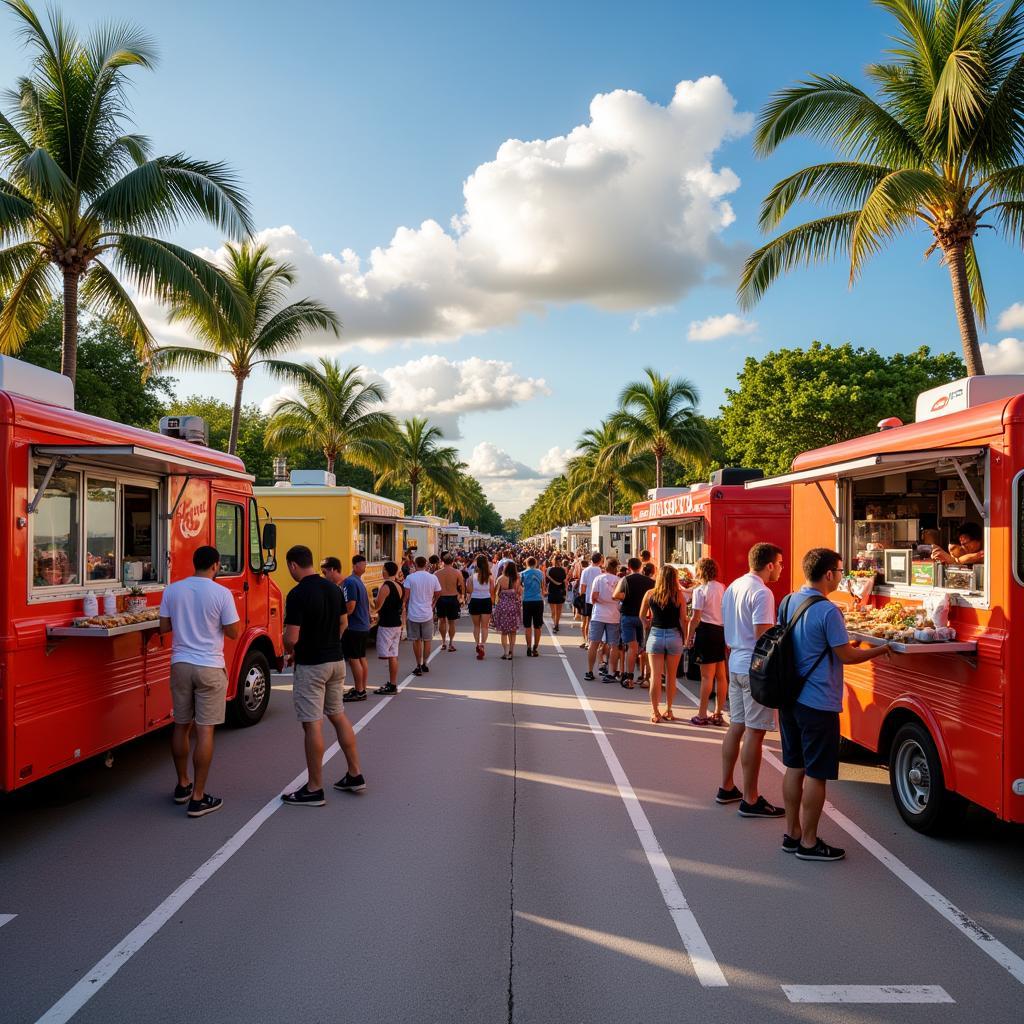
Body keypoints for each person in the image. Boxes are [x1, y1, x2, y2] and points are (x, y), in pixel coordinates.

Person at [781, 548, 891, 861]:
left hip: (790, 699)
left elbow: (811, 644)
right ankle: (810, 843)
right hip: (818, 702)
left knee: (794, 766)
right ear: (829, 574)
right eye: (840, 571)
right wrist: (881, 650)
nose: (841, 576)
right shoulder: (828, 611)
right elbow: (846, 657)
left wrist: (848, 643)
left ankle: (792, 834)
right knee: (816, 773)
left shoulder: (789, 601)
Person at [159, 545, 240, 818]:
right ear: (216, 565)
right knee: (205, 731)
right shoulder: (222, 593)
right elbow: (233, 632)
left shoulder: (173, 590)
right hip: (209, 667)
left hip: (180, 664)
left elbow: (163, 628)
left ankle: (182, 784)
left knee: (181, 726)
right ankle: (198, 797)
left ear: (194, 564)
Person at [279, 545, 364, 805]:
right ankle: (354, 773)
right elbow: (343, 623)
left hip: (312, 664)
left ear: (293, 565)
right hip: (336, 661)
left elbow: (292, 637)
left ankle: (314, 788)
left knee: (312, 724)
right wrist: (331, 643)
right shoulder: (333, 588)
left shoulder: (297, 594)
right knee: (337, 715)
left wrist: (288, 650)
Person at [719, 542, 786, 818]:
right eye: (780, 564)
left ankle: (726, 787)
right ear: (769, 564)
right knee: (755, 733)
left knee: (736, 726)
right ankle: (750, 798)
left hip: (735, 662)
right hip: (754, 668)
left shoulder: (733, 586)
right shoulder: (762, 592)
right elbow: (764, 637)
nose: (781, 569)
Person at [639, 565, 687, 722]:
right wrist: (685, 638)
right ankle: (669, 710)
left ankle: (655, 712)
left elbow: (641, 615)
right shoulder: (678, 595)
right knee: (672, 677)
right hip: (674, 636)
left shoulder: (650, 594)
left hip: (656, 635)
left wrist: (647, 625)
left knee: (655, 676)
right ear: (674, 578)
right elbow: (683, 619)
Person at [686, 557, 728, 726]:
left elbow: (695, 617)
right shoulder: (722, 587)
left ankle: (702, 713)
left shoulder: (700, 591)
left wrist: (689, 637)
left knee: (706, 676)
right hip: (720, 631)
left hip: (706, 631)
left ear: (700, 571)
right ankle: (718, 712)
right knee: (721, 676)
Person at [614, 557, 655, 688]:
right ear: (641, 567)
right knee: (644, 649)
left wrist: (626, 596)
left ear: (629, 567)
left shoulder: (625, 579)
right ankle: (645, 677)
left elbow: (615, 595)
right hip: (644, 617)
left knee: (631, 648)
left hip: (628, 615)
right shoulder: (650, 582)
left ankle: (629, 679)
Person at [585, 557, 622, 682]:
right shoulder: (619, 581)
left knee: (593, 644)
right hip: (614, 616)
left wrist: (602, 601)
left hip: (598, 615)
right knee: (613, 645)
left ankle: (590, 671)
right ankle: (611, 673)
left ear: (605, 567)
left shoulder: (599, 579)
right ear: (615, 568)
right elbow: (621, 598)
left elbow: (593, 597)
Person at [404, 555, 441, 675]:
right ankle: (425, 663)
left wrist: (404, 607)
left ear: (415, 565)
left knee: (416, 641)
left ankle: (418, 665)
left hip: (414, 613)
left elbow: (406, 596)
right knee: (427, 640)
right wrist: (433, 603)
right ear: (425, 565)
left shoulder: (410, 578)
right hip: (427, 613)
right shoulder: (432, 577)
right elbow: (438, 592)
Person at [341, 555, 371, 702]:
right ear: (355, 566)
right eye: (363, 565)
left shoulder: (350, 582)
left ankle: (359, 690)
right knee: (361, 658)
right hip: (363, 625)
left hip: (355, 626)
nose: (365, 567)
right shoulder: (357, 581)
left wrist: (339, 617)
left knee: (354, 659)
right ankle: (362, 688)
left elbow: (351, 606)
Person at [373, 561, 404, 694]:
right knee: (393, 655)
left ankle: (391, 685)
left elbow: (377, 606)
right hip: (396, 623)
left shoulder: (386, 586)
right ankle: (392, 683)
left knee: (385, 655)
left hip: (386, 624)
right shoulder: (399, 586)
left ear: (386, 571)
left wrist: (373, 600)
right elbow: (401, 606)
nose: (382, 571)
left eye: (383, 569)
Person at [319, 557, 350, 684]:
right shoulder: (337, 587)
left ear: (333, 570)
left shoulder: (343, 586)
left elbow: (348, 612)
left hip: (332, 648)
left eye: (325, 572)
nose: (323, 576)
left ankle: (360, 690)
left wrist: (336, 637)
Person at [435, 553, 465, 652]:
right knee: (451, 622)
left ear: (443, 562)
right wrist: (463, 597)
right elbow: (462, 585)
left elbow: (433, 587)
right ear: (452, 562)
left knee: (441, 620)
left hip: (441, 598)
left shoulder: (437, 573)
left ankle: (443, 642)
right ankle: (451, 643)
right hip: (452, 597)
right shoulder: (457, 572)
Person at [493, 560, 523, 659]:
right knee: (513, 631)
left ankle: (505, 652)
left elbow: (495, 592)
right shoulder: (517, 579)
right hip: (514, 606)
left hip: (503, 606)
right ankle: (511, 651)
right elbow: (519, 592)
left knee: (504, 631)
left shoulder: (500, 579)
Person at [469, 553, 494, 659]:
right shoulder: (490, 578)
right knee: (485, 626)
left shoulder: (472, 578)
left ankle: (477, 644)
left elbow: (469, 591)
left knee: (476, 626)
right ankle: (482, 644)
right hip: (486, 600)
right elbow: (492, 592)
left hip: (475, 600)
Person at [520, 556, 546, 656]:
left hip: (527, 600)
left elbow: (520, 587)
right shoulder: (540, 573)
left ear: (526, 563)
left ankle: (528, 647)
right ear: (535, 563)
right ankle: (535, 647)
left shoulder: (522, 573)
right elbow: (543, 588)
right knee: (537, 626)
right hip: (538, 601)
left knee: (527, 626)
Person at [578, 552, 604, 651]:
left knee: (585, 621)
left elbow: (583, 587)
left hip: (587, 598)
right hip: (597, 599)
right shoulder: (600, 571)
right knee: (595, 621)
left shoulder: (586, 570)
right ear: (600, 560)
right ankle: (594, 642)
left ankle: (586, 641)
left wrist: (582, 596)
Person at [546, 555, 568, 633]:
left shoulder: (549, 569)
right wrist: (565, 592)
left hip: (552, 590)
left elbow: (546, 581)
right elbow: (565, 581)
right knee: (558, 610)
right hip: (560, 590)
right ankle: (556, 624)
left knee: (553, 611)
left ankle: (555, 624)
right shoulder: (563, 570)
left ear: (553, 560)